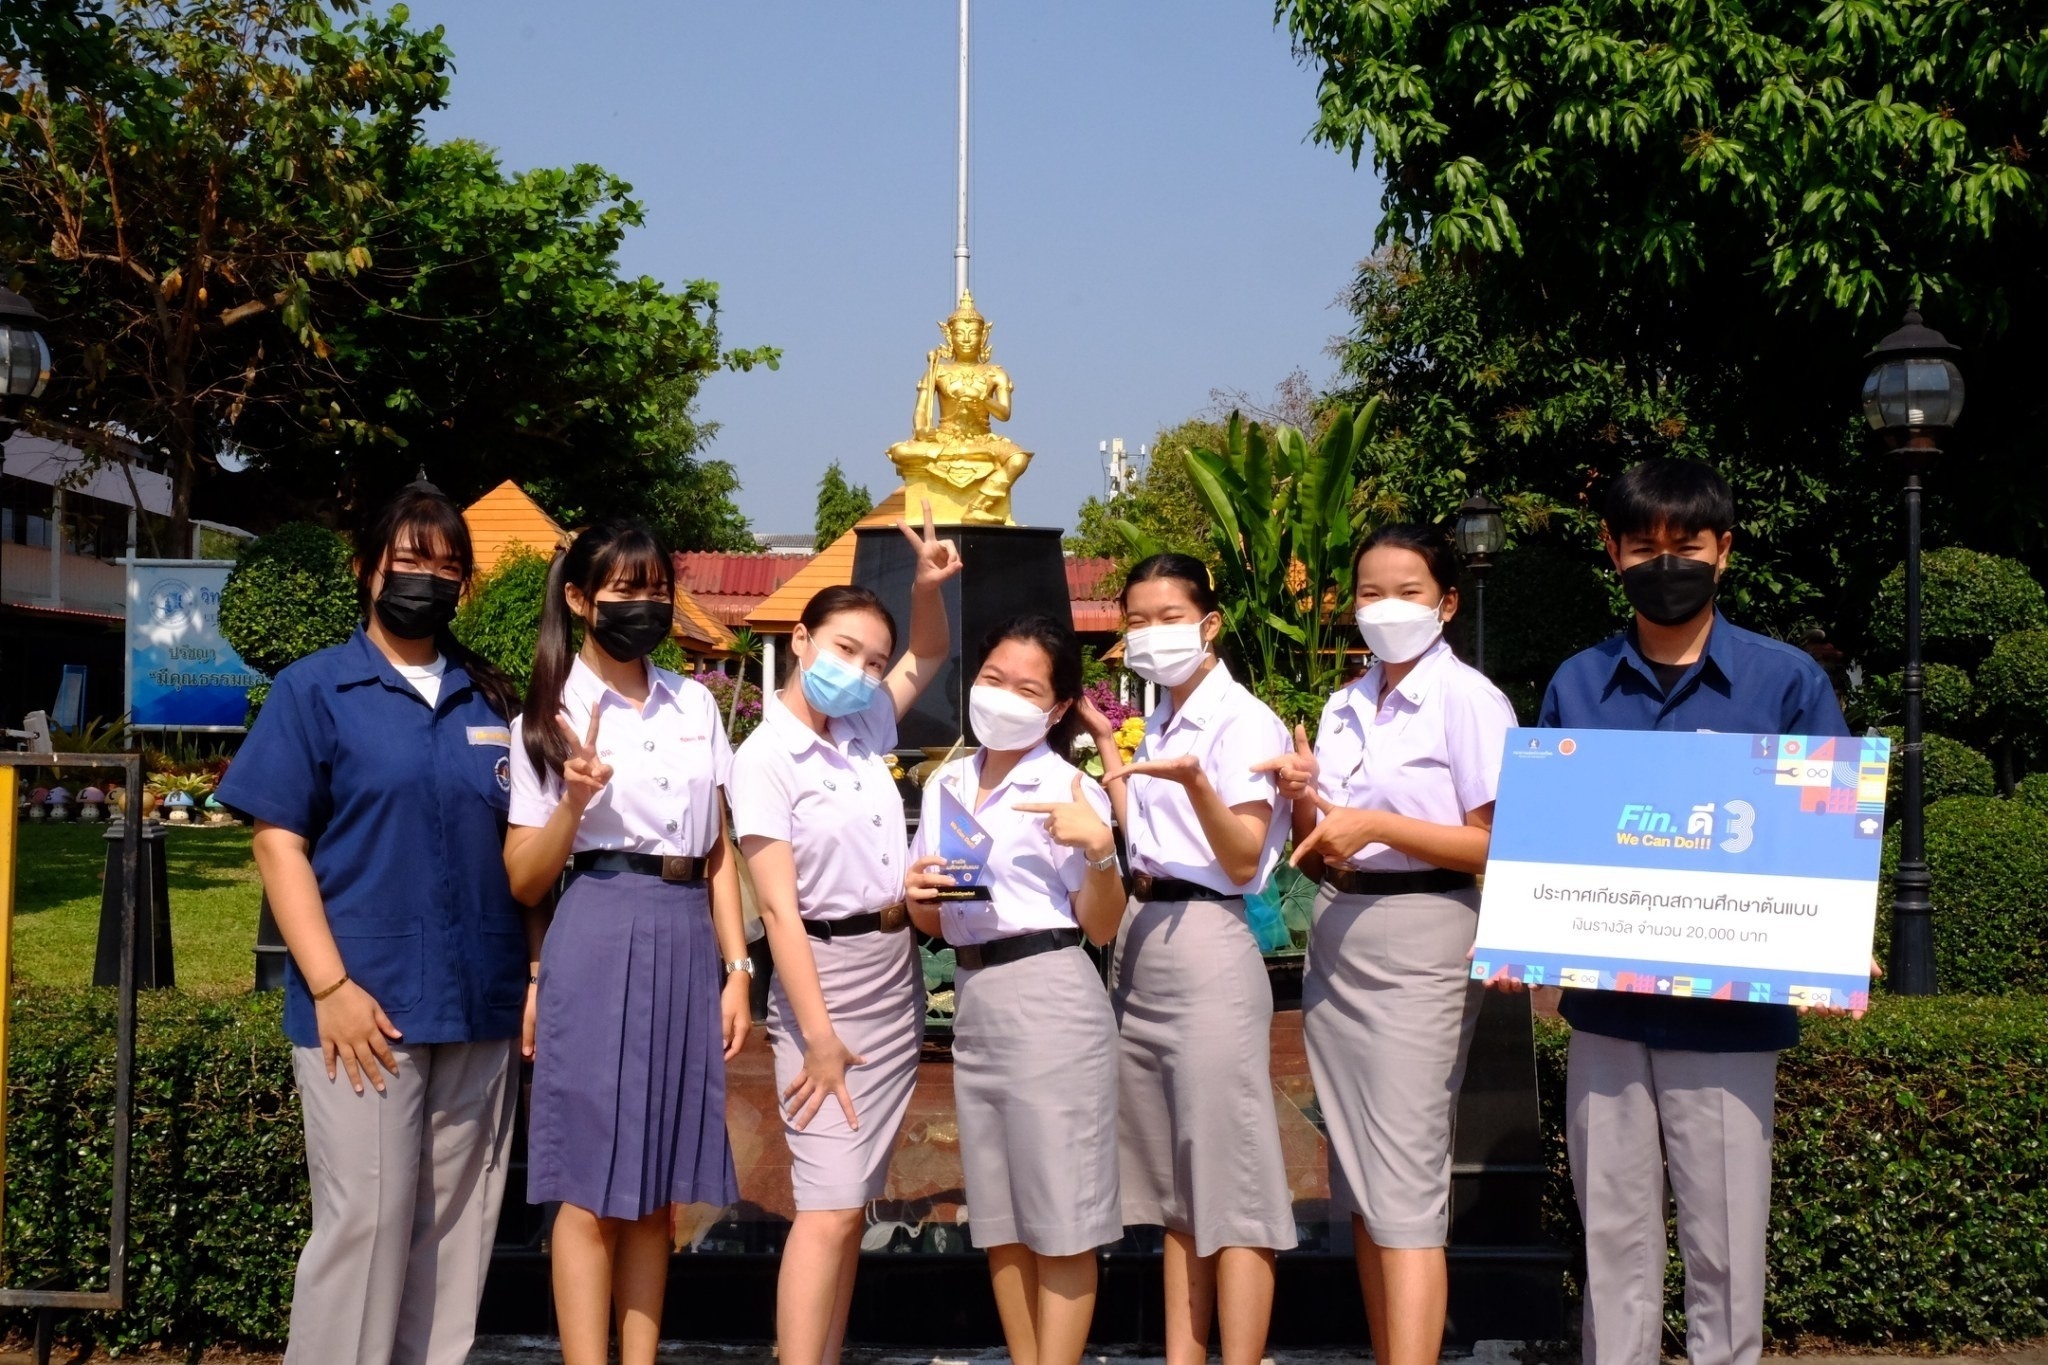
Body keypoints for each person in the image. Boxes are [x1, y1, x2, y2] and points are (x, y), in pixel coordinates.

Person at [1535, 459, 1851, 1365]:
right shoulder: (1577, 686)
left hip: (1731, 1021)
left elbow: (1822, 834)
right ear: (1613, 551)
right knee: (1615, 1252)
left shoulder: (1784, 682)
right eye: (1644, 545)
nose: (1664, 561)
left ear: (1724, 552)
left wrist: (1831, 933)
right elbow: (1550, 841)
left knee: (1723, 1255)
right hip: (1606, 1017)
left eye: (1686, 545)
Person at [218, 478, 530, 1365]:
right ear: (367, 569)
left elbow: (523, 854)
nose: (426, 578)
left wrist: (531, 981)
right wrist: (329, 985)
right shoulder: (317, 689)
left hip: (478, 1002)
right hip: (362, 1011)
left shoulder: (490, 698)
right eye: (409, 559)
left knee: (456, 1230)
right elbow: (279, 842)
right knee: (366, 1226)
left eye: (446, 565)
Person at [1260, 523, 1515, 1365]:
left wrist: (1382, 825)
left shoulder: (1468, 699)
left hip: (1424, 934)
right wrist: (1303, 796)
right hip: (1342, 929)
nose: (1386, 608)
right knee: (1363, 1185)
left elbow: (1499, 843)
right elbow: (1327, 835)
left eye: (1408, 592)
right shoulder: (1344, 703)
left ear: (1446, 602)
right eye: (1370, 592)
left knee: (1404, 1181)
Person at [503, 519, 752, 1365]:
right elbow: (524, 877)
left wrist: (738, 967)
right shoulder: (551, 711)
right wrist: (572, 800)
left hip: (688, 933)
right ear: (579, 599)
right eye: (624, 590)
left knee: (656, 1186)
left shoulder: (694, 701)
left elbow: (718, 846)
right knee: (587, 1182)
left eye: (656, 589)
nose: (643, 605)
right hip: (599, 923)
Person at [728, 506, 962, 1365]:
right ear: (800, 639)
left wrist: (933, 588)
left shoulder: (864, 727)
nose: (859, 672)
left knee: (851, 1202)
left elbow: (929, 656)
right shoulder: (764, 758)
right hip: (819, 982)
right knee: (824, 1207)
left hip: (890, 977)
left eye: (870, 660)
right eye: (843, 651)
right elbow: (780, 911)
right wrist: (817, 1035)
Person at [1077, 553, 1296, 1365]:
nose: (1149, 632)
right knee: (1175, 1188)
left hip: (1207, 940)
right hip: (1145, 935)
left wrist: (1199, 781)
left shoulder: (1242, 720)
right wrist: (1110, 755)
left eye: (1168, 615)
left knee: (1231, 1180)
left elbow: (1240, 858)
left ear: (1209, 622)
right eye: (1136, 617)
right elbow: (1150, 839)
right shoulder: (1160, 715)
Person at [904, 614, 1125, 1365]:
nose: (1003, 696)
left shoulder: (1068, 786)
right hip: (977, 994)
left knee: (1061, 1211)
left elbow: (1101, 926)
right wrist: (917, 894)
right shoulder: (947, 783)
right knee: (997, 1213)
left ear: (1058, 708)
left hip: (1051, 990)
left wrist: (1098, 853)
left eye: (1027, 688)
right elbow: (932, 915)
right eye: (993, 678)